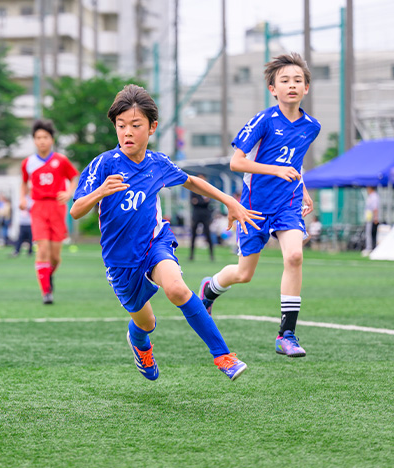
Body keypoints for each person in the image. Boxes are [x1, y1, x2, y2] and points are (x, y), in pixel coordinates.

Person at [70, 84, 263, 381]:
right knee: (146, 323)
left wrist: (230, 201)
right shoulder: (104, 164)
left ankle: (224, 356)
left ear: (152, 128)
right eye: (121, 126)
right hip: (120, 262)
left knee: (176, 288)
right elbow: (76, 210)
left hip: (154, 244)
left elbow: (192, 182)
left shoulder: (157, 164)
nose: (127, 133)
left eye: (135, 125)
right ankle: (140, 344)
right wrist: (99, 192)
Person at [198, 53, 320, 359]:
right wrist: (276, 170)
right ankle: (210, 289)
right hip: (254, 206)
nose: (291, 85)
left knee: (294, 256)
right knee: (243, 273)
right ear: (272, 88)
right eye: (284, 81)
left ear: (306, 88)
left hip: (288, 204)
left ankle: (286, 334)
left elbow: (295, 161)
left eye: (297, 80)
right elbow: (237, 161)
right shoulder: (264, 120)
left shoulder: (311, 127)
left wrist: (301, 187)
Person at [20, 119, 79, 305]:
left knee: (55, 256)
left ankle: (47, 275)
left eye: (45, 137)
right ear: (34, 140)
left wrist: (69, 192)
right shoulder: (28, 163)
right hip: (38, 207)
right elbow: (23, 182)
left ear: (51, 139)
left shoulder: (61, 160)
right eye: (38, 137)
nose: (41, 141)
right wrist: (23, 198)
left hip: (57, 208)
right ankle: (46, 292)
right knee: (42, 249)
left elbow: (74, 176)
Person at [189, 174, 215, 262]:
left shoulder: (207, 189)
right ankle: (191, 255)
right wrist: (203, 201)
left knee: (208, 235)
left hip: (205, 216)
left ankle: (212, 255)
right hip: (196, 215)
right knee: (193, 235)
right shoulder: (193, 190)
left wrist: (199, 201)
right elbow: (193, 202)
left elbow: (207, 201)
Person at [364, 186, 380, 252]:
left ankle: (370, 247)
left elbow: (375, 208)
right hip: (369, 218)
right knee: (370, 233)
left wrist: (376, 217)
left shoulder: (374, 197)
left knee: (371, 233)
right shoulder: (371, 196)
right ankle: (371, 247)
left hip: (372, 218)